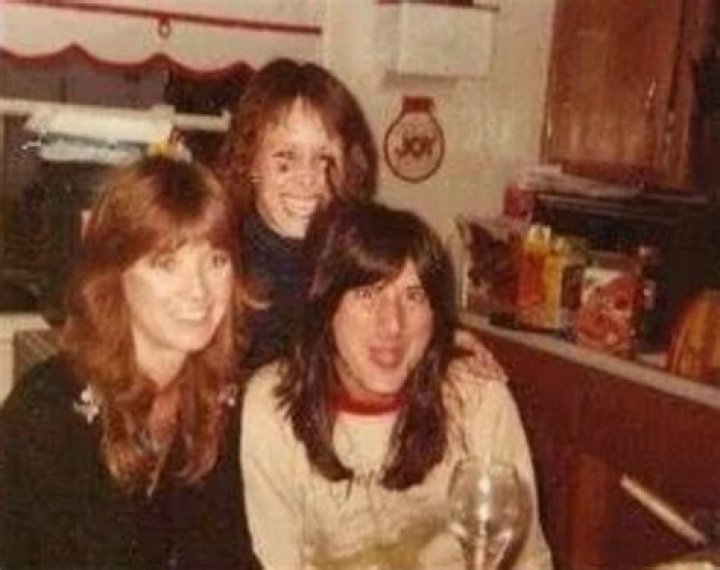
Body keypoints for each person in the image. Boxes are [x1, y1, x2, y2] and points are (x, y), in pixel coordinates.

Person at [241, 202, 553, 569]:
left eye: (413, 296)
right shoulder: (272, 407)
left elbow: (527, 560)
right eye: (367, 294)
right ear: (326, 306)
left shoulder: (478, 400)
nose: (392, 324)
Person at [0, 156, 260, 568]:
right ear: (114, 273)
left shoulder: (216, 398)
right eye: (167, 263)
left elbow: (227, 556)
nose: (199, 291)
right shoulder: (48, 412)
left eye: (216, 261)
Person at [215, 57, 378, 369]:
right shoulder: (220, 265)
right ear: (250, 163)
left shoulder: (365, 264)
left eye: (324, 158)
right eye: (286, 158)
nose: (307, 179)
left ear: (348, 168)